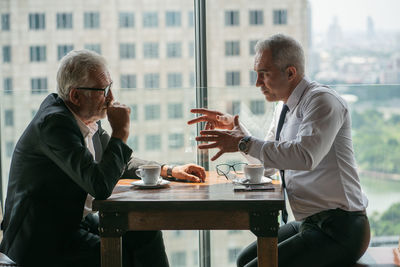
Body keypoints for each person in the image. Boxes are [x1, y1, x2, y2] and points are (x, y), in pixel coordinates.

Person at [0, 49, 206, 267]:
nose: (111, 98)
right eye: (103, 90)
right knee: (121, 257)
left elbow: (118, 162)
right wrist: (120, 133)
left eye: (110, 87)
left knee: (146, 232)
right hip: (43, 238)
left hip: (72, 222)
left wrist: (168, 170)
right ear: (75, 96)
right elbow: (99, 185)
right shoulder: (55, 124)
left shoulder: (83, 118)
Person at [188, 33, 370, 267]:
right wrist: (238, 131)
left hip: (341, 229)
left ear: (291, 73)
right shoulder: (283, 108)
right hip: (310, 222)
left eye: (264, 74)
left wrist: (242, 142)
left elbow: (306, 157)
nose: (257, 83)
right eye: (256, 74)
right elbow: (271, 165)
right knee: (244, 259)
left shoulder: (322, 101)